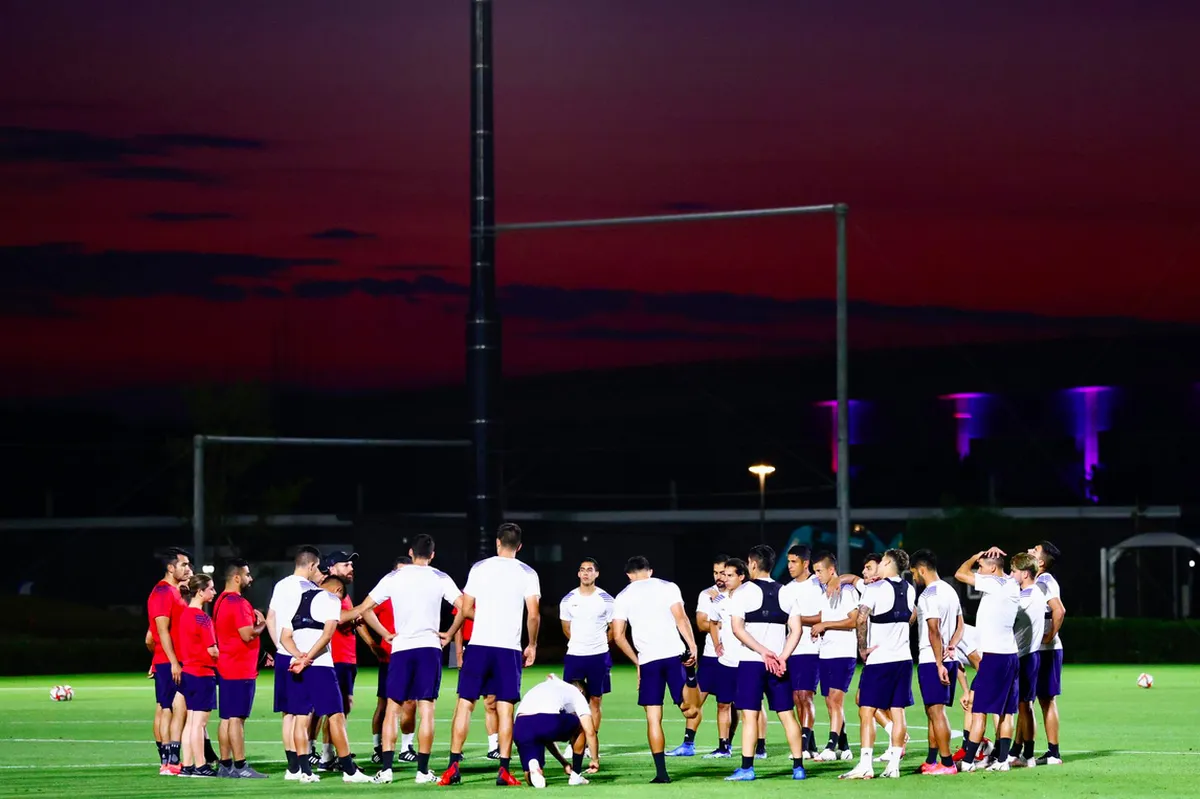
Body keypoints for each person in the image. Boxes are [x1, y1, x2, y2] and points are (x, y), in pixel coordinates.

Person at [349, 534, 463, 785]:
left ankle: (387, 770)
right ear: (432, 555)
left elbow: (365, 608)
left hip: (401, 649)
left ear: (411, 552)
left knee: (392, 708)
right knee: (427, 710)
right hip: (429, 648)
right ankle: (422, 772)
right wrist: (450, 633)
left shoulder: (394, 577)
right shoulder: (440, 577)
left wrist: (384, 634)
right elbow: (464, 606)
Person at [440, 523, 542, 787]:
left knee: (465, 704)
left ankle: (452, 767)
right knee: (506, 709)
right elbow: (533, 614)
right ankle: (504, 771)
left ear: (498, 542)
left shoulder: (480, 568)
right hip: (508, 649)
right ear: (519, 546)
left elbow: (465, 607)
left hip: (479, 646)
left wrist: (451, 635)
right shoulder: (527, 573)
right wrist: (532, 644)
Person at [610, 555, 700, 784]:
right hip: (674, 655)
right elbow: (681, 618)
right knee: (690, 711)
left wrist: (637, 661)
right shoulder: (668, 587)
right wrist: (692, 646)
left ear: (629, 575)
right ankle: (690, 678)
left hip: (649, 661)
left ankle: (662, 773)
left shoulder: (622, 596)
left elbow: (618, 636)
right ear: (650, 571)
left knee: (653, 719)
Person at [724, 545, 808, 782]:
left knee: (750, 716)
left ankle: (747, 768)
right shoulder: (787, 592)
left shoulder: (743, 592)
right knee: (787, 715)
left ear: (752, 564)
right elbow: (797, 630)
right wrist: (781, 657)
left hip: (752, 663)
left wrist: (764, 653)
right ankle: (798, 768)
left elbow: (737, 629)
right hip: (779, 665)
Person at [281, 573, 372, 783]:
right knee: (336, 716)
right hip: (319, 665)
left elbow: (284, 637)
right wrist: (308, 659)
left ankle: (305, 772)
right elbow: (328, 633)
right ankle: (350, 772)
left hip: (295, 666)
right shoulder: (331, 599)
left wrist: (299, 656)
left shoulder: (297, 599)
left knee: (301, 718)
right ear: (338, 591)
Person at [841, 549, 914, 780]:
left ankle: (865, 764)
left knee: (866, 709)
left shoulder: (875, 589)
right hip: (904, 658)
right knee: (897, 710)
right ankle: (893, 766)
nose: (878, 566)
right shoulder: (910, 589)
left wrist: (862, 648)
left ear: (888, 562)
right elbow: (912, 616)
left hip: (880, 659)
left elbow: (861, 618)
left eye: (881, 562)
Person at [954, 548, 1020, 772]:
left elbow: (960, 574)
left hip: (993, 657)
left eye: (982, 567)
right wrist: (990, 558)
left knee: (979, 710)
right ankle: (1002, 761)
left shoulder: (994, 584)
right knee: (1005, 711)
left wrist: (974, 556)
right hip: (1010, 655)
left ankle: (969, 761)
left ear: (992, 568)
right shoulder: (1011, 583)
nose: (978, 571)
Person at [313, 551, 378, 771]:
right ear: (331, 568)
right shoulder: (328, 592)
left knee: (342, 706)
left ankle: (328, 754)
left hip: (347, 657)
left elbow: (355, 620)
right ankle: (324, 755)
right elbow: (341, 618)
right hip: (334, 657)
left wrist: (372, 645)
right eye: (346, 564)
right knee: (333, 708)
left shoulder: (343, 594)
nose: (351, 568)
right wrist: (364, 607)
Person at [265, 545, 323, 780]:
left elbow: (271, 618)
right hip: (301, 656)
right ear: (311, 565)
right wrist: (299, 652)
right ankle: (302, 766)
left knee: (288, 713)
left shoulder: (281, 585)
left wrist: (280, 645)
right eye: (317, 566)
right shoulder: (308, 588)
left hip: (282, 653)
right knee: (303, 713)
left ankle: (292, 767)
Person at [213, 559, 269, 778]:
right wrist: (262, 623)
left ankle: (225, 765)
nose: (250, 578)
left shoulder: (220, 601)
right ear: (237, 577)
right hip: (239, 669)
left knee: (226, 718)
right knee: (236, 719)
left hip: (227, 666)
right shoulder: (237, 602)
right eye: (247, 575)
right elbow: (247, 634)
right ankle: (241, 766)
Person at [909, 549, 962, 775]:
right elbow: (960, 624)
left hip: (933, 661)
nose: (913, 578)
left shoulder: (928, 595)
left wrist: (939, 663)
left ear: (921, 569)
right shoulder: (950, 590)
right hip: (948, 658)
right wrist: (952, 646)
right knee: (932, 711)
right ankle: (931, 760)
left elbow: (933, 630)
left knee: (937, 712)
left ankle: (947, 763)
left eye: (913, 573)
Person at [668, 554, 727, 757]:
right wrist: (724, 622)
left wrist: (719, 612)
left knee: (728, 703)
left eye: (722, 572)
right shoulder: (706, 594)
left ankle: (726, 746)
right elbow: (702, 624)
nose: (719, 577)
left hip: (733, 656)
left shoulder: (739, 593)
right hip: (711, 656)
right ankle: (688, 744)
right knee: (694, 702)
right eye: (715, 572)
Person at [559, 557, 614, 767]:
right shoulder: (568, 599)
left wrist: (598, 643)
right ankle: (573, 739)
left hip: (599, 656)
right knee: (572, 701)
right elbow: (566, 627)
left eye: (590, 570)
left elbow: (615, 628)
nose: (585, 573)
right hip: (574, 655)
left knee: (595, 700)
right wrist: (579, 642)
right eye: (582, 570)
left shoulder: (607, 600)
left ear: (597, 574)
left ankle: (591, 740)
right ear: (578, 574)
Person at [367, 555, 417, 766]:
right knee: (385, 704)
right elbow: (363, 616)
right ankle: (378, 748)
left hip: (412, 653)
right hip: (389, 656)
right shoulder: (385, 596)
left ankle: (407, 747)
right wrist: (373, 643)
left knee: (411, 702)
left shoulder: (417, 595)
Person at [808, 551, 858, 761]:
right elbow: (823, 617)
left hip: (843, 652)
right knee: (830, 701)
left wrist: (825, 625)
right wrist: (800, 620)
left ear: (831, 570)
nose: (817, 575)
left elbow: (854, 620)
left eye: (819, 571)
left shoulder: (845, 591)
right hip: (826, 652)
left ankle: (830, 746)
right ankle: (844, 747)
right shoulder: (823, 592)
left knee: (835, 700)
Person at [147, 547, 192, 775]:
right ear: (170, 567)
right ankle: (172, 761)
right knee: (174, 708)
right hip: (173, 661)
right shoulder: (163, 592)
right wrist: (172, 661)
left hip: (167, 659)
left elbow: (151, 637)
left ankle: (167, 762)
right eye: (184, 565)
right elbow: (161, 631)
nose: (188, 569)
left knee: (166, 708)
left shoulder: (174, 592)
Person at [777, 545, 825, 759]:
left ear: (806, 563)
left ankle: (804, 745)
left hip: (813, 648)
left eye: (794, 562)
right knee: (797, 697)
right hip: (792, 650)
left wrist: (797, 619)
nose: (789, 566)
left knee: (806, 695)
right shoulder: (786, 589)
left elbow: (824, 615)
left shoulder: (818, 584)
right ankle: (812, 745)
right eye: (788, 561)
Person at [514, 675, 601, 788]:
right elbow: (590, 731)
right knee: (582, 725)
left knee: (529, 776)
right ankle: (576, 775)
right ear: (581, 691)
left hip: (520, 727)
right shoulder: (576, 692)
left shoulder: (547, 686)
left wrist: (564, 762)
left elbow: (547, 737)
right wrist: (595, 760)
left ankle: (533, 766)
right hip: (547, 722)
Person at [176, 573, 219, 777]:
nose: (214, 592)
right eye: (210, 588)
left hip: (188, 673)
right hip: (202, 673)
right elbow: (212, 650)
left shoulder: (184, 615)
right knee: (199, 724)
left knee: (191, 722)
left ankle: (187, 765)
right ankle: (201, 766)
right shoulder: (202, 618)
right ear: (200, 591)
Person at [704, 558, 747, 759]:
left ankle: (757, 746)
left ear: (741, 577)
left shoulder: (750, 598)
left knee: (750, 707)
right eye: (724, 575)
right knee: (723, 704)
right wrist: (717, 643)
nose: (725, 579)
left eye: (730, 575)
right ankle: (723, 746)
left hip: (747, 660)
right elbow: (713, 622)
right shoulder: (719, 600)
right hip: (727, 661)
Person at [1030, 540, 1066, 766]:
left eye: (1034, 550)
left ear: (1040, 562)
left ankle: (1052, 752)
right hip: (1037, 649)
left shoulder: (1044, 580)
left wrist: (1049, 635)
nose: (1029, 550)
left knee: (1044, 701)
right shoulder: (1034, 580)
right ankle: (1037, 752)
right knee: (1033, 701)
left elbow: (1059, 609)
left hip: (1046, 650)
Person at [1010, 552, 1047, 768]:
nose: (1012, 575)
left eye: (1014, 571)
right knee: (1024, 706)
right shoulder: (1036, 593)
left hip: (1024, 657)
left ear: (1024, 573)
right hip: (1030, 655)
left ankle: (1028, 755)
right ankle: (1019, 750)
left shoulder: (1025, 597)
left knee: (1025, 707)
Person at [452, 602, 502, 759]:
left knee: (492, 702)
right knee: (465, 702)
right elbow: (458, 623)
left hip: (494, 648)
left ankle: (494, 747)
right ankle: (456, 750)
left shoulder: (498, 591)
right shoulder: (468, 594)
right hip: (471, 649)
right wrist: (457, 653)